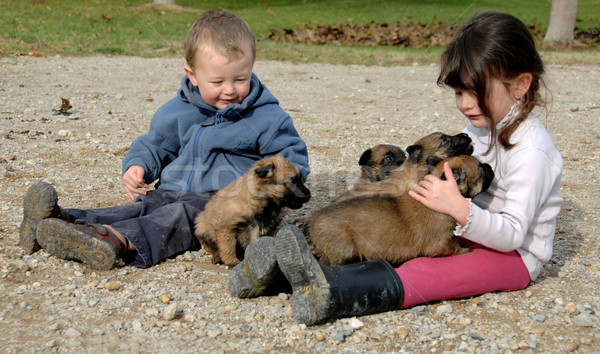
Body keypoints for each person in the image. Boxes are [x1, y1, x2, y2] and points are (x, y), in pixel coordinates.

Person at [228, 11, 563, 325]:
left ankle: (335, 292)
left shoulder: (531, 151)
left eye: (476, 92)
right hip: (463, 233)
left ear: (520, 85)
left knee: (425, 273)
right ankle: (278, 273)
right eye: (459, 92)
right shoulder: (482, 125)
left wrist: (461, 212)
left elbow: (513, 235)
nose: (464, 104)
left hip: (513, 257)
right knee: (394, 249)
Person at [19, 8, 310, 270]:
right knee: (139, 208)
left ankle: (117, 241)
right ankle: (59, 221)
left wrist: (288, 191)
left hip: (223, 202)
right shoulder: (176, 111)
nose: (230, 90)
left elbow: (291, 158)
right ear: (192, 75)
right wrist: (138, 166)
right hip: (169, 189)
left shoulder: (267, 118)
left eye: (240, 79)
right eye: (218, 82)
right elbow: (155, 145)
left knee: (176, 218)